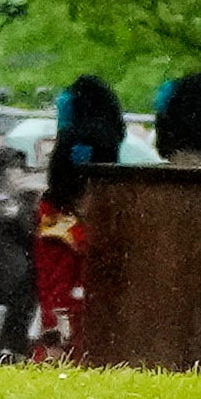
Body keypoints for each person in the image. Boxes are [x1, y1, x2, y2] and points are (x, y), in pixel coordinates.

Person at [35, 76, 125, 360]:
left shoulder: (105, 216)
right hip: (68, 340)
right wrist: (56, 343)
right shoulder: (57, 220)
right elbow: (54, 291)